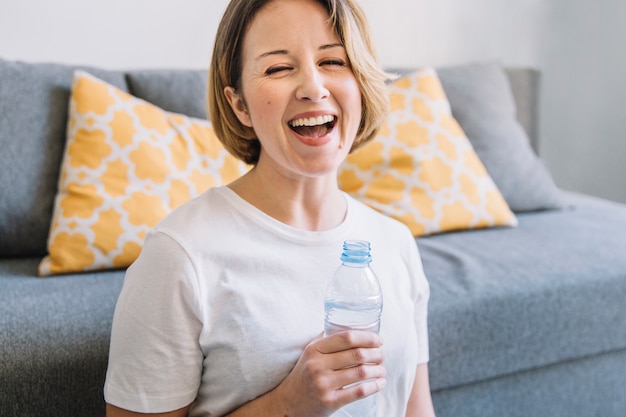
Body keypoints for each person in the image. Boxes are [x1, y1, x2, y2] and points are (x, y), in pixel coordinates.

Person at [104, 0, 436, 416]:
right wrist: (288, 404)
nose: (313, 88)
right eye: (278, 68)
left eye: (332, 60)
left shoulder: (395, 243)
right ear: (239, 104)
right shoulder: (179, 255)